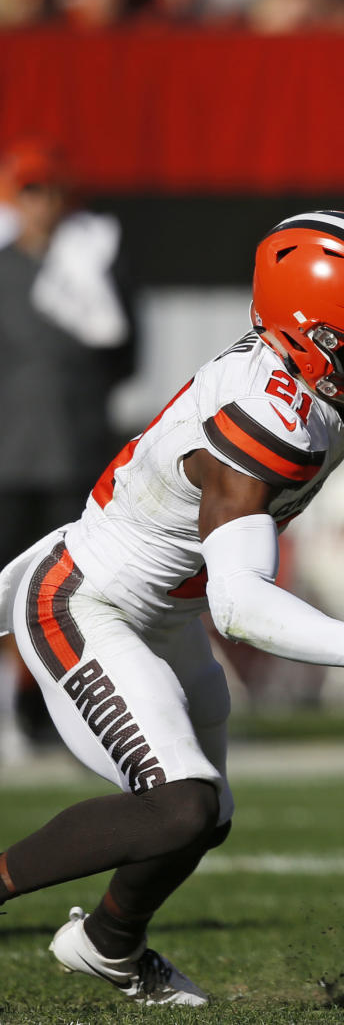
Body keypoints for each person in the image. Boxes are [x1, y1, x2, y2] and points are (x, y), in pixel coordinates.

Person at [0, 210, 344, 1006]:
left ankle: (108, 944)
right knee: (180, 805)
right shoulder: (264, 423)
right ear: (311, 343)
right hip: (88, 605)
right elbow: (239, 603)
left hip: (161, 611)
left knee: (206, 813)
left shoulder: (325, 357)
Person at [0, 139, 136, 762]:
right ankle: (14, 706)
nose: (42, 204)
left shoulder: (96, 267)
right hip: (8, 457)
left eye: (51, 190)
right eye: (31, 190)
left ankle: (53, 709)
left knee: (63, 594)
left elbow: (124, 356)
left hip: (76, 454)